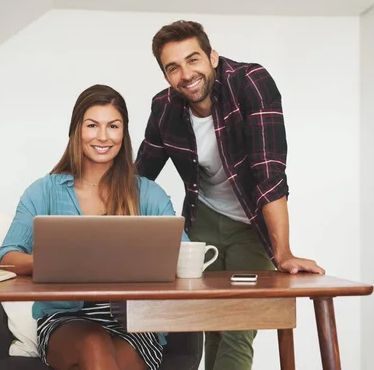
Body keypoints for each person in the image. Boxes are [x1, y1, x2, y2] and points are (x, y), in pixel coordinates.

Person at [135, 20, 325, 370]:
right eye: (173, 67)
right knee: (214, 324)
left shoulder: (250, 83)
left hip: (252, 221)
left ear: (212, 56)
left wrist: (282, 253)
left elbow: (268, 173)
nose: (186, 74)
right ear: (165, 76)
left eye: (193, 60)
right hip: (203, 218)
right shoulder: (164, 108)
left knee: (239, 326)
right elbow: (139, 178)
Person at [0, 84, 188, 370]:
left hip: (136, 322)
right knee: (94, 346)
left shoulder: (148, 194)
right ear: (76, 130)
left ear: (124, 133)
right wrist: (53, 263)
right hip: (65, 321)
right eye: (92, 125)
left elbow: (183, 255)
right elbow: (5, 260)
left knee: (106, 358)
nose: (102, 136)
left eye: (113, 126)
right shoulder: (43, 191)